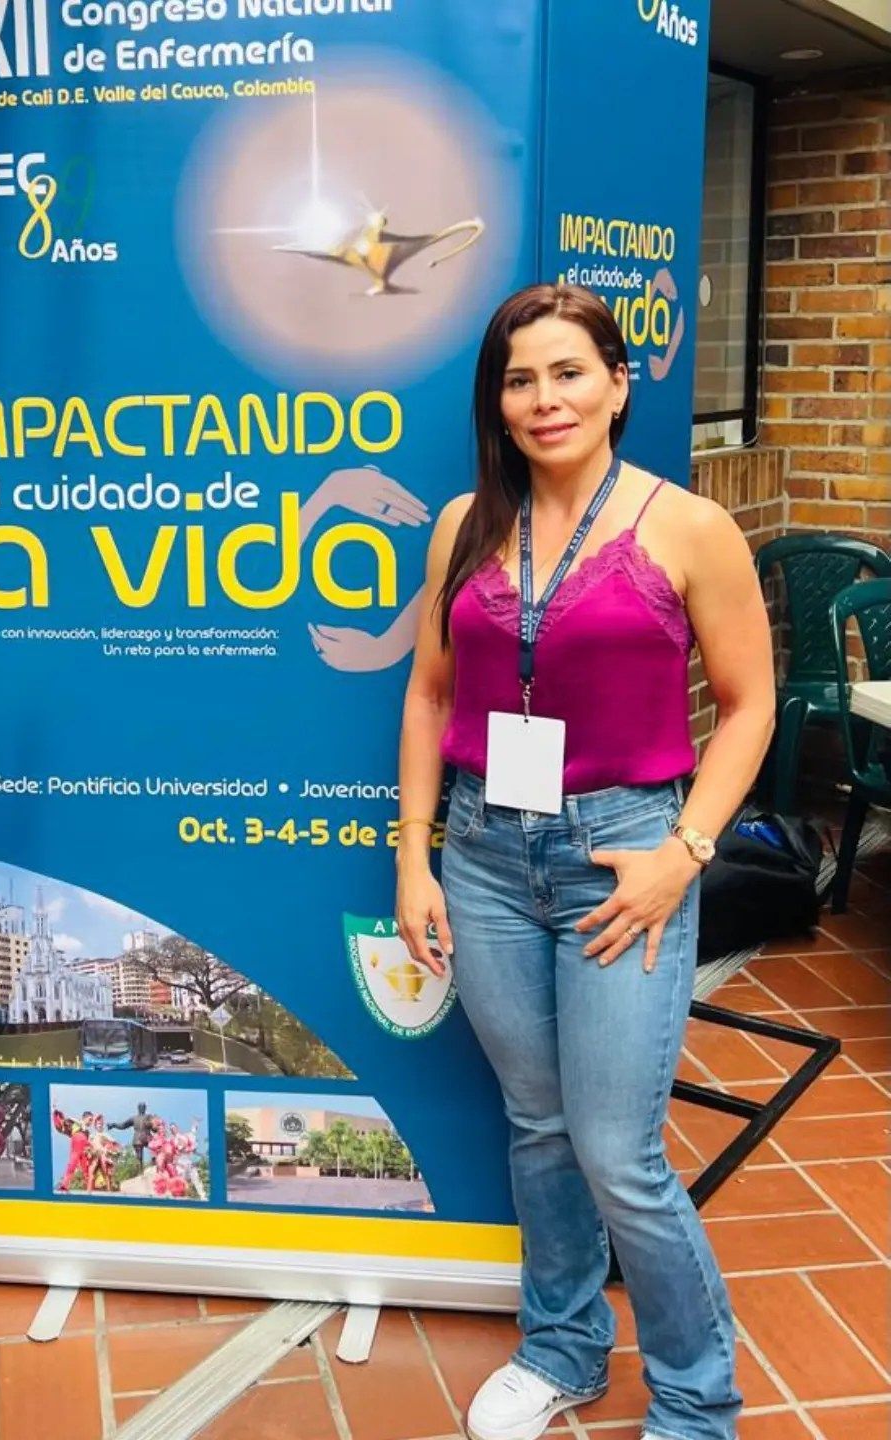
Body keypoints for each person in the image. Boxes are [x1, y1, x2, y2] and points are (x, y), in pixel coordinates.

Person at [396, 283, 774, 1440]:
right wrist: (415, 859)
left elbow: (751, 707)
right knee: (539, 1124)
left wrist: (684, 853)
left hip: (626, 856)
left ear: (620, 383)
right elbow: (428, 694)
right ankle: (562, 1348)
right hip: (489, 862)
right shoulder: (465, 523)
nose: (544, 398)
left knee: (620, 1149)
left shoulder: (685, 525)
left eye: (569, 372)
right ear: (496, 401)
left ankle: (697, 1402)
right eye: (520, 378)